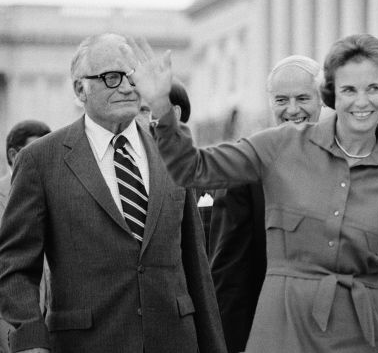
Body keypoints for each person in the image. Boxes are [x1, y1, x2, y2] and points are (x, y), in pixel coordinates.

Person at [129, 33, 378, 352]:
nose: (362, 101)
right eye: (349, 90)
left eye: (373, 88)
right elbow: (193, 168)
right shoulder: (280, 144)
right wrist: (160, 105)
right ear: (332, 95)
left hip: (366, 338)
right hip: (283, 333)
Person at [0, 33, 226, 353]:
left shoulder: (172, 151)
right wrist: (30, 341)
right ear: (81, 89)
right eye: (111, 77)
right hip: (86, 343)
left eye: (134, 76)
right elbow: (15, 266)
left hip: (175, 341)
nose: (127, 86)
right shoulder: (40, 160)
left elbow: (196, 265)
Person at [208, 55, 324, 353]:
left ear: (322, 100)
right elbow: (229, 277)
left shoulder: (351, 163)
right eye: (282, 99)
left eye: (302, 98)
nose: (292, 109)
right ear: (270, 103)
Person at [0, 120, 51, 353]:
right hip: (9, 323)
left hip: (53, 321)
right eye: (36, 149)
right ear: (13, 154)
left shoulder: (54, 192)